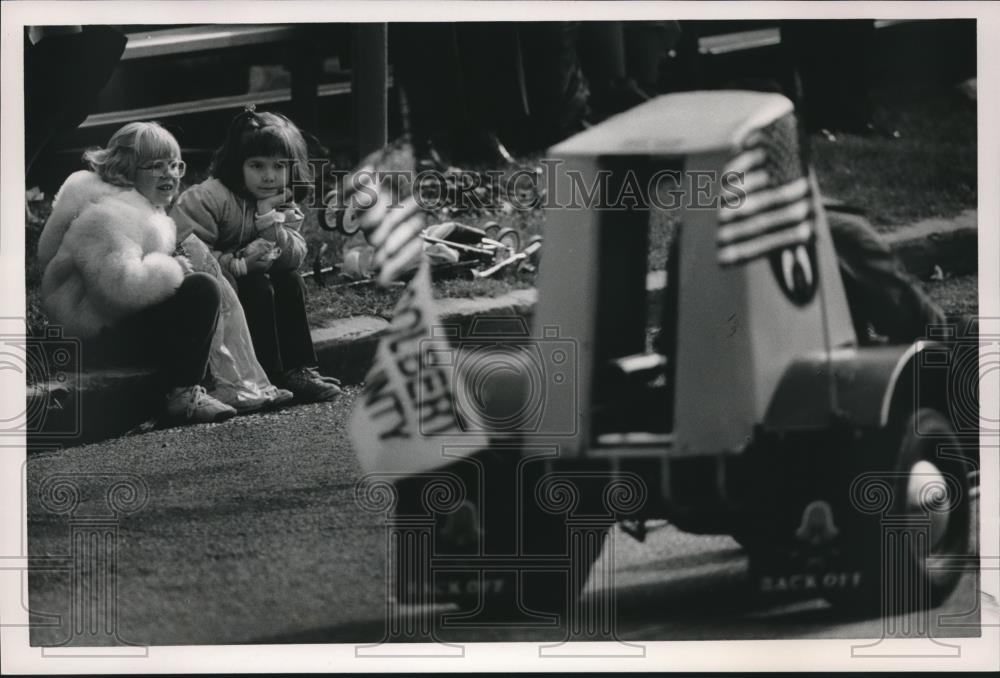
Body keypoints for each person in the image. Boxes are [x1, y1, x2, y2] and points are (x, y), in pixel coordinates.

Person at [37, 122, 237, 424]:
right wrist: (171, 271)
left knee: (212, 284)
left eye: (174, 164)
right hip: (93, 339)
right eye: (155, 166)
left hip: (108, 327)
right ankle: (183, 394)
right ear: (125, 170)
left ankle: (203, 381)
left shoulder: (136, 206)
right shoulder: (109, 215)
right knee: (202, 289)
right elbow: (118, 288)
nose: (169, 173)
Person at [172, 107, 342, 402]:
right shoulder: (210, 198)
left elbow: (292, 257)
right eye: (257, 165)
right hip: (218, 292)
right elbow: (191, 253)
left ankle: (297, 369)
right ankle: (266, 374)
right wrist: (237, 265)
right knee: (257, 283)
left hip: (248, 279)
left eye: (279, 166)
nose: (269, 176)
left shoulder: (278, 201)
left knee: (289, 279)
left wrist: (267, 220)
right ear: (238, 165)